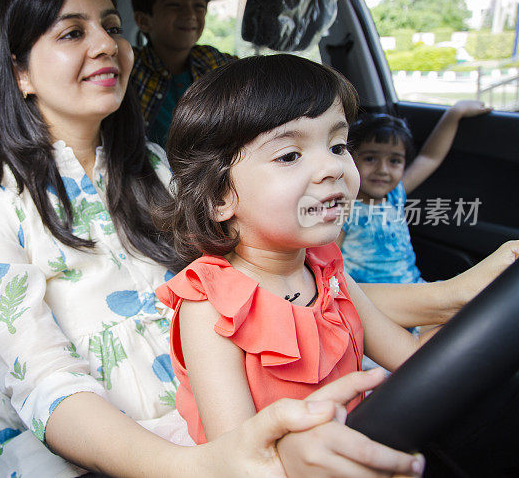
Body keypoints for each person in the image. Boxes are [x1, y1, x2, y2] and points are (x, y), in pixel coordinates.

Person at [0, 0, 516, 478]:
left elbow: (268, 292)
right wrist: (207, 464)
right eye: (73, 32)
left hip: (226, 415)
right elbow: (44, 381)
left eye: (112, 27)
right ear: (19, 72)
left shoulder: (157, 168)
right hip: (107, 453)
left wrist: (448, 298)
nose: (105, 45)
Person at [155, 52, 439, 456]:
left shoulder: (328, 270)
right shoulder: (210, 308)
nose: (332, 167)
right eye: (289, 155)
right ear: (220, 196)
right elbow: (242, 454)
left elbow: (411, 360)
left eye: (338, 145)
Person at [338, 101, 491, 284]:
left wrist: (454, 114)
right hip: (372, 298)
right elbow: (331, 265)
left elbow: (429, 158)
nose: (383, 170)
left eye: (394, 161)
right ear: (349, 159)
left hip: (413, 286)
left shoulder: (395, 194)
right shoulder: (344, 209)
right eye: (370, 158)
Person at [130, 0, 235, 146]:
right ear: (143, 20)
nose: (190, 14)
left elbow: (252, 79)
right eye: (174, 5)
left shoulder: (214, 62)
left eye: (199, 5)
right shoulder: (130, 67)